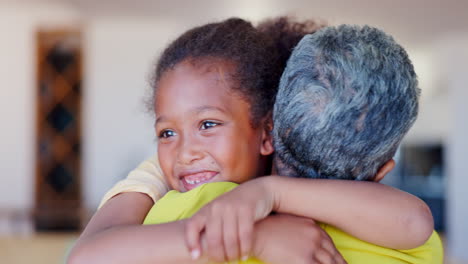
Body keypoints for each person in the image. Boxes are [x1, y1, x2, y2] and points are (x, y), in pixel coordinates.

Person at [68, 19, 434, 264]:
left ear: (268, 132)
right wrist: (256, 236)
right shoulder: (167, 182)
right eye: (166, 133)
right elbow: (85, 257)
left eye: (208, 124)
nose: (184, 152)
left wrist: (270, 194)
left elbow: (413, 219)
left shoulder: (280, 177)